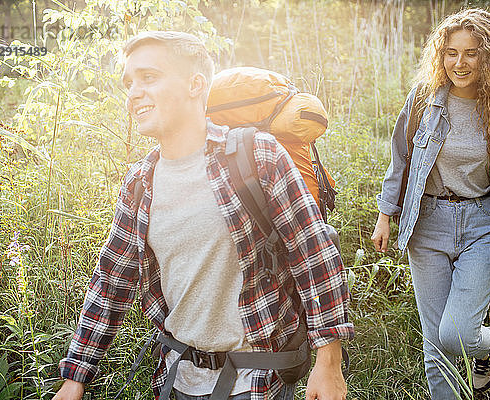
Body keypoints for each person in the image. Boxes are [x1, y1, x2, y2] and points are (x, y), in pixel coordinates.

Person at [53, 31, 353, 400]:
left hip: (257, 376)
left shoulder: (256, 155)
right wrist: (75, 377)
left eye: (149, 77)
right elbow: (112, 282)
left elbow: (314, 253)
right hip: (179, 378)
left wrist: (329, 361)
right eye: (129, 83)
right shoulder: (139, 182)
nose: (133, 93)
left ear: (196, 84)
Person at [371, 8, 490, 399]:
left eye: (471, 53)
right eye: (451, 52)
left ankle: (489, 344)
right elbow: (400, 158)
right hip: (427, 222)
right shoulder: (424, 100)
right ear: (441, 54)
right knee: (436, 346)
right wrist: (386, 215)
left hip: (485, 225)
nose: (459, 62)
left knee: (457, 334)